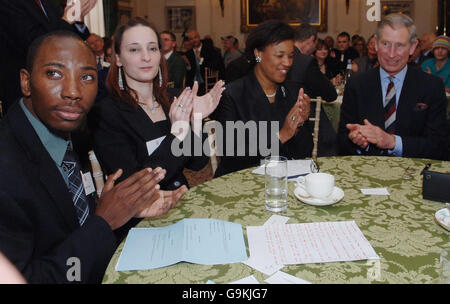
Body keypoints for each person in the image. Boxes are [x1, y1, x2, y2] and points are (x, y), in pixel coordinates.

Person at [0, 31, 186, 283]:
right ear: (25, 81)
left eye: (86, 77)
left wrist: (123, 211)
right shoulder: (8, 167)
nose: (73, 91)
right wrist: (104, 222)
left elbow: (69, 227)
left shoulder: (71, 132)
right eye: (54, 73)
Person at [88, 18, 225, 192]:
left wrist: (195, 120)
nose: (146, 57)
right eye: (134, 49)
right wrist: (177, 132)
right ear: (118, 58)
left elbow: (197, 163)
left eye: (152, 48)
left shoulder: (174, 99)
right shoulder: (106, 113)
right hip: (142, 214)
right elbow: (134, 185)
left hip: (181, 200)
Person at [337, 14, 448, 161]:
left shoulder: (431, 87)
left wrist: (393, 142)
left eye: (400, 45)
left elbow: (438, 145)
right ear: (375, 44)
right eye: (385, 44)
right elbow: (342, 141)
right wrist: (357, 142)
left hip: (413, 175)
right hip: (367, 173)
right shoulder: (357, 85)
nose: (391, 54)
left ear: (413, 47)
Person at [211, 20, 313, 177]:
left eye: (291, 56)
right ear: (258, 54)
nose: (287, 63)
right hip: (241, 182)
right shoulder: (233, 94)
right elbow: (231, 157)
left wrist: (301, 123)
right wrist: (281, 136)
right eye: (280, 55)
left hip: (283, 181)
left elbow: (304, 151)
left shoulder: (292, 92)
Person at [0, 0, 97, 114]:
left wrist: (78, 20)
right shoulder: (6, 3)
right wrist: (67, 19)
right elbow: (33, 40)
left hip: (57, 82)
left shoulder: (48, 3)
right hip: (23, 87)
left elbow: (65, 31)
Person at [287, 23, 337, 102]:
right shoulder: (307, 62)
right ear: (311, 40)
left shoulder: (281, 55)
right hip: (304, 110)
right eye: (316, 45)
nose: (314, 49)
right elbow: (330, 94)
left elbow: (259, 60)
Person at [185, 29, 224, 95]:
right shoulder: (188, 53)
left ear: (199, 37)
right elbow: (189, 72)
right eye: (191, 39)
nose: (194, 40)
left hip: (208, 82)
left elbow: (216, 65)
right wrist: (188, 66)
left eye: (195, 37)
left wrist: (201, 60)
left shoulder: (210, 50)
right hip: (193, 84)